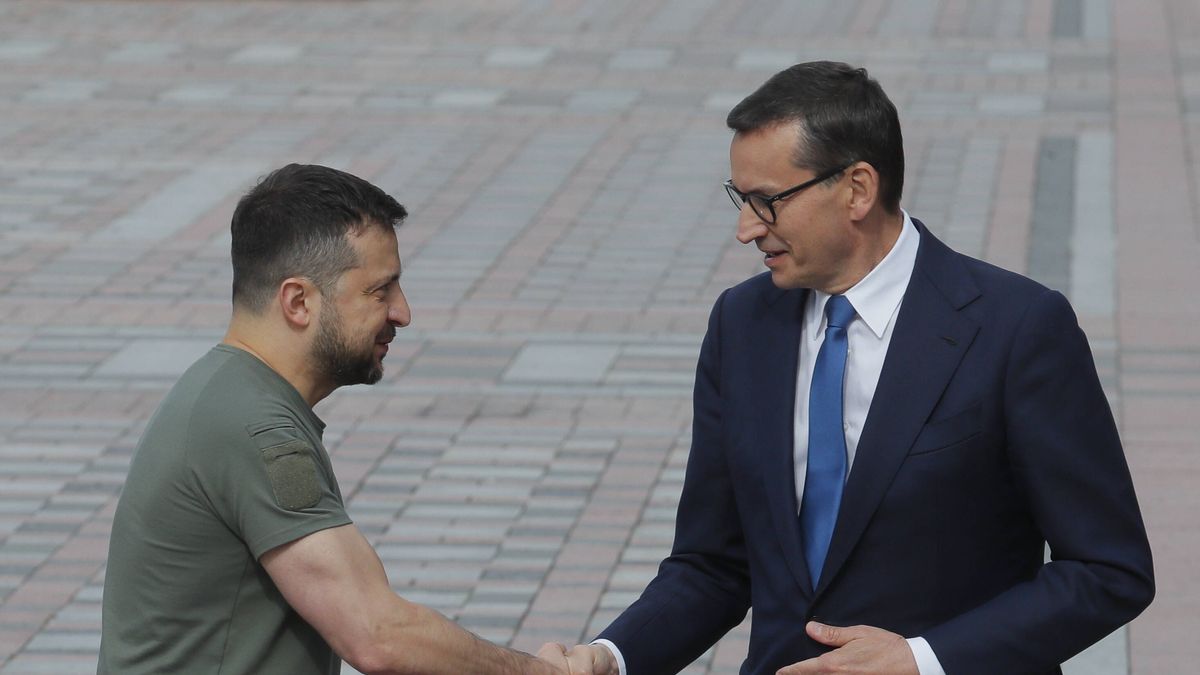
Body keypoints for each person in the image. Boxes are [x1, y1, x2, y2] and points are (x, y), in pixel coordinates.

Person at [546, 61, 1155, 675]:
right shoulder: (742, 325)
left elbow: (1107, 570)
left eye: (767, 202)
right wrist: (610, 658)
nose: (745, 229)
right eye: (740, 199)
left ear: (857, 189)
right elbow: (715, 564)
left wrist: (922, 661)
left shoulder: (1017, 328)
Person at [98, 164, 571, 675]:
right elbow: (378, 635)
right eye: (380, 291)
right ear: (298, 301)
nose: (403, 312)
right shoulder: (256, 428)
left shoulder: (228, 394)